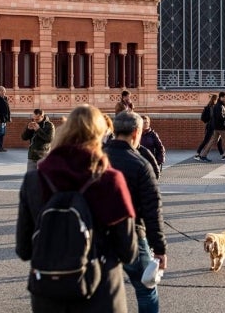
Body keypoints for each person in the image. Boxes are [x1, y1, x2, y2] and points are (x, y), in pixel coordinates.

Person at [16, 104, 138, 313]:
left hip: (48, 290)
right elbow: (128, 252)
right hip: (101, 291)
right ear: (100, 135)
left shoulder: (35, 179)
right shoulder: (109, 180)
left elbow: (24, 249)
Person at [104, 111, 167, 313]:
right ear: (136, 132)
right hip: (132, 234)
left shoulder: (97, 157)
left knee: (102, 290)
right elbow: (152, 209)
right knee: (146, 287)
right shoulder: (140, 164)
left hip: (98, 235)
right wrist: (160, 249)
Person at [198, 91, 225, 162]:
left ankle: (203, 155)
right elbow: (220, 117)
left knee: (212, 141)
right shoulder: (219, 106)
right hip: (222, 127)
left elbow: (219, 116)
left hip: (216, 127)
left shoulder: (218, 105)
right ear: (220, 97)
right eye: (224, 97)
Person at [195, 94, 224, 161]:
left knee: (218, 140)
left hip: (211, 126)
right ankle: (197, 154)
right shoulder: (213, 107)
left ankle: (222, 155)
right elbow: (213, 117)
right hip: (212, 126)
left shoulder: (209, 106)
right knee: (207, 140)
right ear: (216, 100)